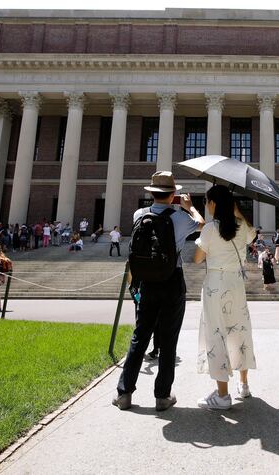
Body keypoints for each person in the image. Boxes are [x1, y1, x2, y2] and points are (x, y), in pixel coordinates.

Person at [114, 171, 205, 412]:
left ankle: (124, 393)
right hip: (171, 280)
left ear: (151, 193)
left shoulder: (138, 214)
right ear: (173, 194)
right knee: (168, 339)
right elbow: (202, 224)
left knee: (140, 335)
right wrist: (190, 206)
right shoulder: (180, 218)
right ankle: (162, 396)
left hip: (146, 282)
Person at [193, 184, 257, 410]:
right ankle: (244, 384)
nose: (207, 205)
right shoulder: (241, 227)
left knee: (216, 333)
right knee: (239, 330)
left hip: (215, 286)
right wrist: (237, 210)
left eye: (207, 201)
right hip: (236, 284)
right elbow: (252, 235)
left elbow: (198, 258)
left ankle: (222, 395)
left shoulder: (210, 229)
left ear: (213, 204)